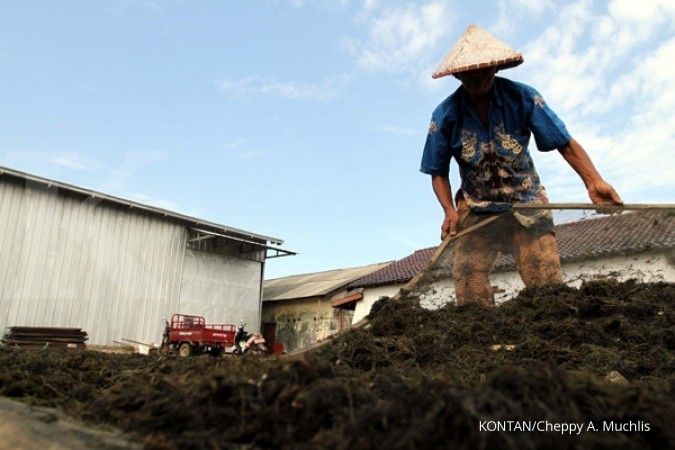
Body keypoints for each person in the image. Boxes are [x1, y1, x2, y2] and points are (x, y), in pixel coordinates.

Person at [420, 25, 622, 306]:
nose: (477, 78)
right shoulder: (445, 115)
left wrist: (593, 181)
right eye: (469, 74)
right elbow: (437, 170)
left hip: (525, 202)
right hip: (477, 206)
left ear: (495, 68)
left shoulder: (524, 98)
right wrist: (449, 211)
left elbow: (563, 141)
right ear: (457, 74)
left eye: (483, 72)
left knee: (545, 278)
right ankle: (480, 335)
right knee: (467, 278)